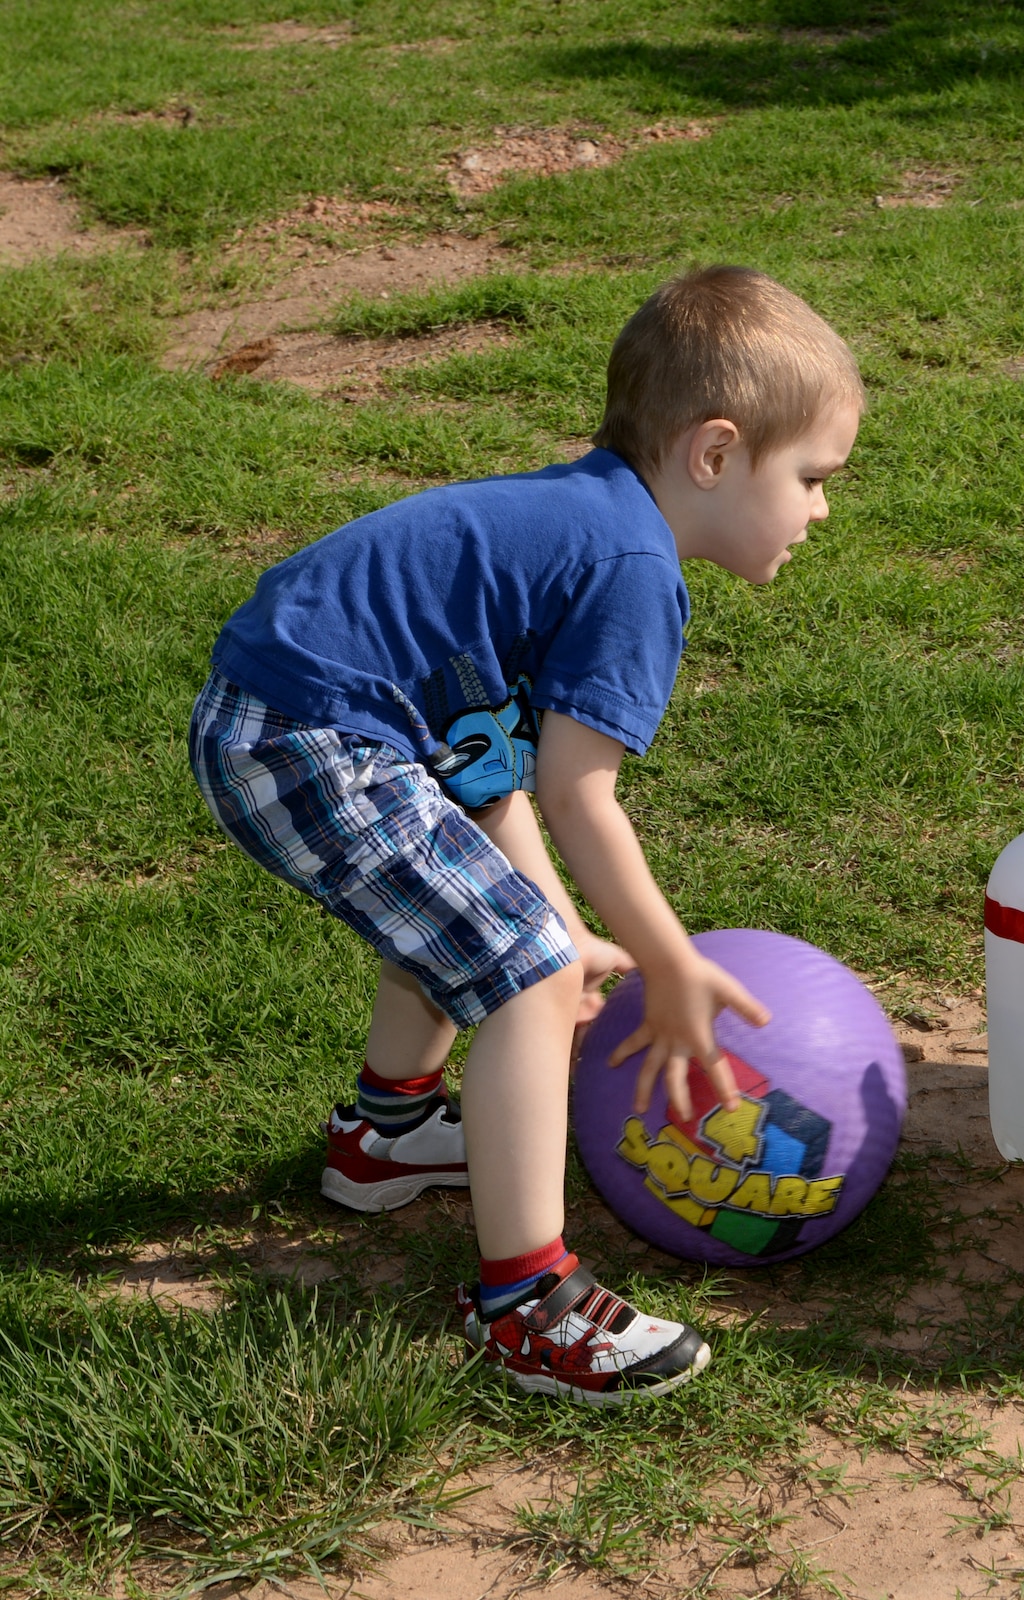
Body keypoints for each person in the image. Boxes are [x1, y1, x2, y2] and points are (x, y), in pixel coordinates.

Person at [189, 267, 863, 1404]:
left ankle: (385, 1142)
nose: (821, 508)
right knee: (519, 977)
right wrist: (661, 956)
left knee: (496, 939)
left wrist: (549, 923)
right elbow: (578, 792)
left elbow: (485, 765)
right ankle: (527, 1304)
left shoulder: (586, 516)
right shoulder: (635, 567)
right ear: (714, 454)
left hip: (296, 715)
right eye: (809, 477)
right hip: (305, 737)